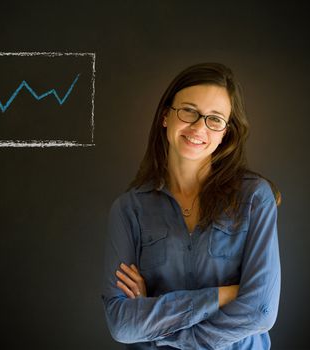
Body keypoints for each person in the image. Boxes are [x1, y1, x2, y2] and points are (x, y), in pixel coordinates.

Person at [101, 62, 281, 349]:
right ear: (165, 116)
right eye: (189, 111)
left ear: (225, 133)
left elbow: (260, 311)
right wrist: (222, 295)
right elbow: (122, 324)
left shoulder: (255, 198)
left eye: (215, 119)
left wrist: (158, 321)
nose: (199, 126)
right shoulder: (128, 209)